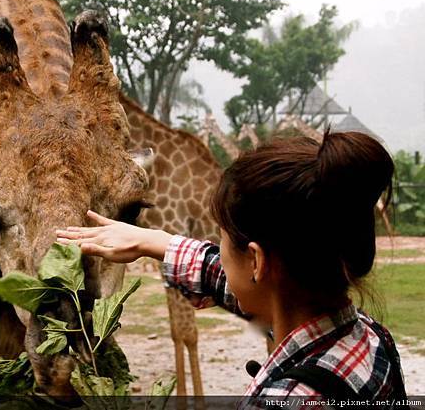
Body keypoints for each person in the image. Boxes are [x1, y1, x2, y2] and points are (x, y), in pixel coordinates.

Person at [56, 130, 408, 408]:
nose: (218, 257)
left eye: (221, 242)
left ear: (257, 262)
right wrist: (155, 242)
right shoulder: (373, 339)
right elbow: (231, 278)